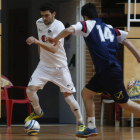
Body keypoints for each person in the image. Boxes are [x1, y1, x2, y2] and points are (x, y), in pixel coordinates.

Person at [48, 2, 140, 138]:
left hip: (110, 71)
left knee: (125, 104)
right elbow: (126, 40)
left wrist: (55, 39)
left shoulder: (87, 25)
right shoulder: (109, 28)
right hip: (104, 72)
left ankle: (91, 126)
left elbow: (68, 30)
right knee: (86, 94)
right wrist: (138, 57)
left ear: (85, 17)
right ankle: (91, 127)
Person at [25, 1, 85, 135]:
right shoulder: (39, 22)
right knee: (30, 90)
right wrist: (41, 56)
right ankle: (38, 112)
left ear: (54, 14)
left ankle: (81, 123)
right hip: (43, 66)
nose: (44, 18)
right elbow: (42, 40)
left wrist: (36, 41)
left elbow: (53, 48)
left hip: (60, 68)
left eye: (47, 16)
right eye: (42, 16)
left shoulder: (59, 26)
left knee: (68, 97)